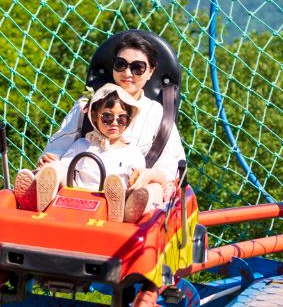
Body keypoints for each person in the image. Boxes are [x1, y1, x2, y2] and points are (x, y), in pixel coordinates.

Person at [39, 33, 186, 215]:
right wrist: (52, 160)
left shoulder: (157, 114)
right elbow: (60, 145)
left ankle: (131, 210)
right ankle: (35, 193)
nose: (127, 73)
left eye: (137, 68)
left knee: (152, 191)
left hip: (126, 193)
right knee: (51, 169)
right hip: (79, 191)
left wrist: (148, 175)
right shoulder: (88, 103)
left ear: (151, 71)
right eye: (120, 65)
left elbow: (171, 164)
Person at [13, 84, 147, 222]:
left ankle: (117, 211)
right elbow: (65, 169)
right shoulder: (83, 144)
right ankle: (37, 197)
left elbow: (137, 177)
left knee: (120, 185)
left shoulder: (132, 153)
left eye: (122, 118)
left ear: (129, 121)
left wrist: (136, 178)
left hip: (108, 203)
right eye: (107, 117)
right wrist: (50, 165)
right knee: (55, 167)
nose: (114, 123)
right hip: (76, 197)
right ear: (94, 117)